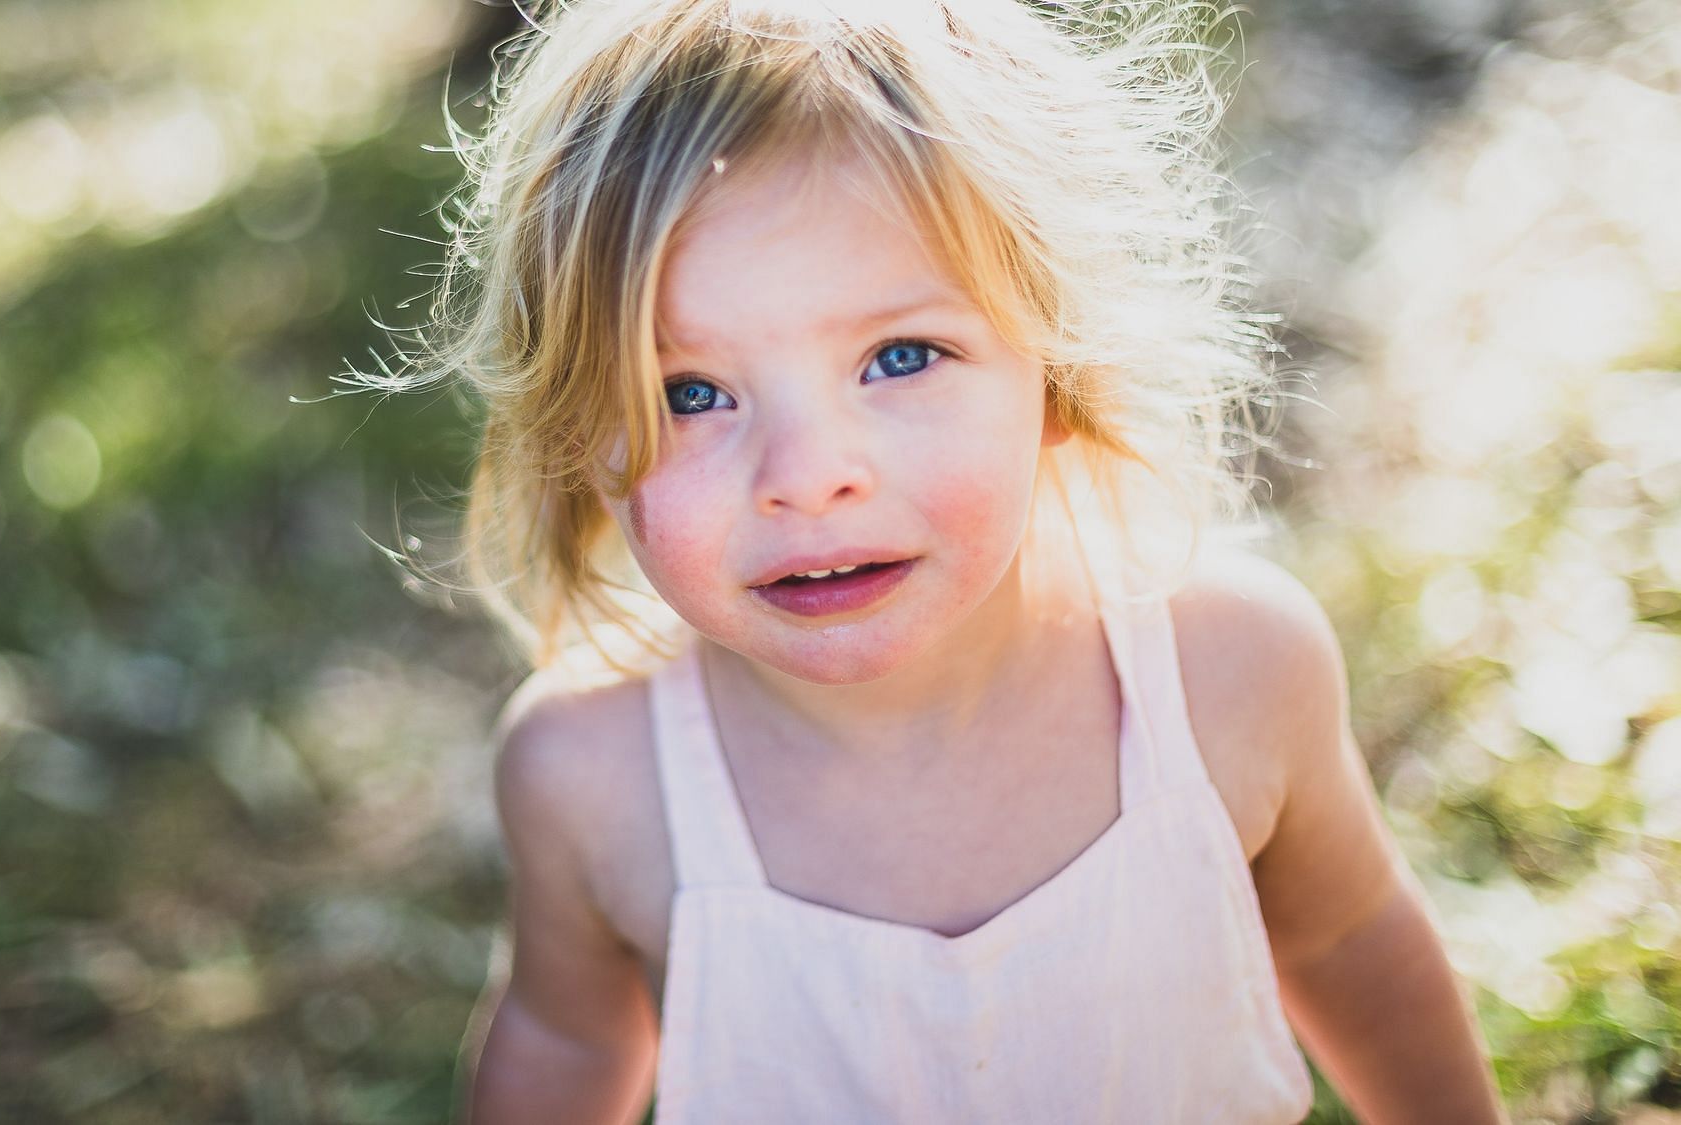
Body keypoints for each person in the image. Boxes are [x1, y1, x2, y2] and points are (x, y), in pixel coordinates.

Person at [359, 0, 1508, 1120]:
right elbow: (567, 1038)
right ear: (579, 438)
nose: (807, 474)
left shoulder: (1229, 672)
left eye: (899, 356)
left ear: (1056, 369)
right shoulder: (594, 776)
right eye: (689, 392)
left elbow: (1347, 935)